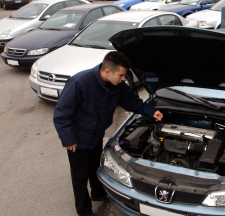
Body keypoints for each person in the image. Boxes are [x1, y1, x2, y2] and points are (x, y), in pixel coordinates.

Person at [53, 51, 163, 216]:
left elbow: (132, 102)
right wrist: (68, 139)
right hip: (78, 141)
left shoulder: (117, 86)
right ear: (107, 71)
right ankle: (84, 210)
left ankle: (98, 193)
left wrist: (151, 112)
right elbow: (61, 114)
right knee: (80, 177)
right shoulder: (79, 83)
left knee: (95, 168)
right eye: (121, 75)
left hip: (96, 136)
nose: (123, 79)